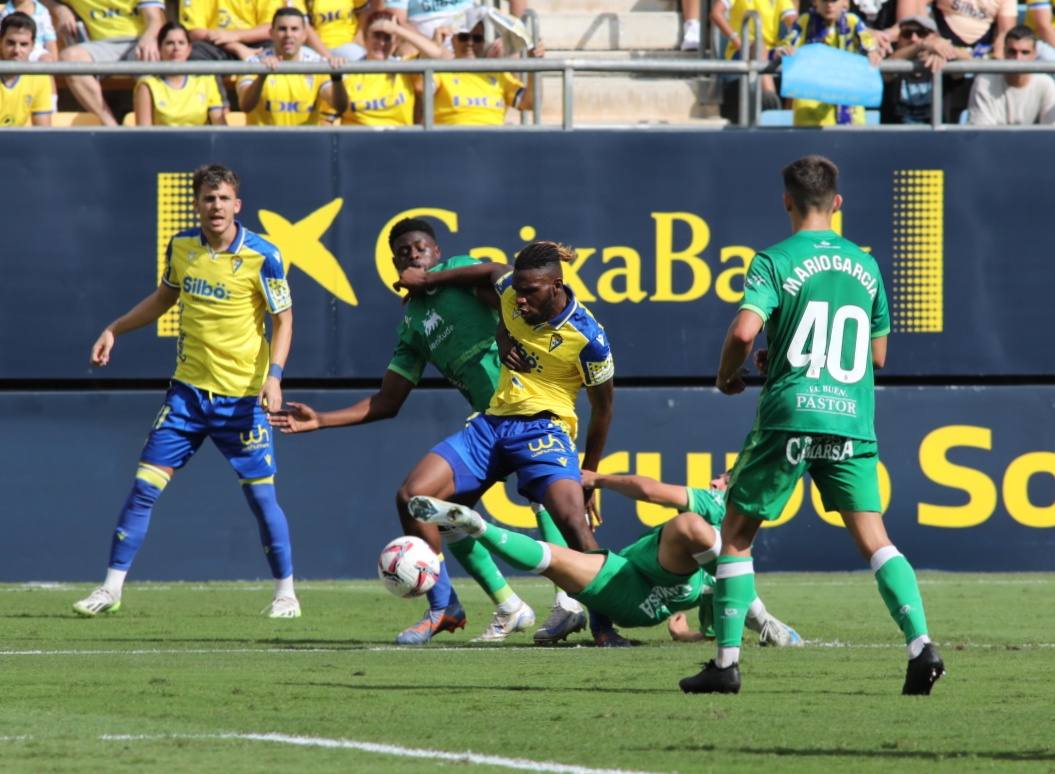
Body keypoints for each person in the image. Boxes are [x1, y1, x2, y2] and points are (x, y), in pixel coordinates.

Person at [678, 155, 943, 696]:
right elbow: (877, 355)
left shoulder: (773, 261)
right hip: (850, 418)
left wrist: (727, 375)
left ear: (787, 201)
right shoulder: (865, 266)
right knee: (875, 540)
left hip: (791, 415)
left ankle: (726, 665)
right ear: (837, 202)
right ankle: (921, 645)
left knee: (736, 536)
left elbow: (744, 331)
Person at [271, 220, 585, 645]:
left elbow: (500, 277)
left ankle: (570, 601)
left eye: (420, 247)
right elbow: (388, 401)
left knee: (547, 500)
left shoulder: (459, 272)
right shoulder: (413, 324)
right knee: (423, 503)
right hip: (489, 428)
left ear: (437, 253)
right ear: (394, 265)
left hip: (534, 413)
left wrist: (432, 281)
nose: (413, 254)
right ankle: (474, 606)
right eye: (403, 252)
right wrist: (321, 419)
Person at [72, 164, 301, 620]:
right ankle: (111, 589)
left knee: (261, 499)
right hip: (187, 397)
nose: (216, 206)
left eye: (224, 198)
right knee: (144, 488)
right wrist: (115, 329)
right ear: (196, 204)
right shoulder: (181, 246)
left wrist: (274, 376)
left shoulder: (263, 255)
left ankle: (286, 595)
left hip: (242, 400)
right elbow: (164, 299)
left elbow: (284, 319)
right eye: (208, 199)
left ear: (237, 205)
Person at [392, 241, 628, 646]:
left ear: (556, 287)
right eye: (516, 290)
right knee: (412, 497)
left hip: (545, 430)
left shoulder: (588, 337)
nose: (519, 299)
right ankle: (445, 606)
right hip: (493, 424)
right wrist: (502, 339)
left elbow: (603, 409)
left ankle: (604, 627)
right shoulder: (514, 295)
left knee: (574, 524)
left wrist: (589, 472)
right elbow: (491, 273)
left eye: (530, 291)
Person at [405, 469, 802, 645]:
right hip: (633, 581)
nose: (714, 481)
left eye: (723, 478)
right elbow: (654, 495)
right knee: (557, 560)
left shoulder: (720, 503)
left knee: (693, 527)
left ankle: (761, 619)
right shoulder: (722, 548)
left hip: (639, 598)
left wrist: (599, 479)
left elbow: (650, 490)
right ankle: (477, 526)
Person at [48, 0, 166, 125]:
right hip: (101, 46)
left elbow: (155, 19)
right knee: (70, 58)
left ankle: (150, 129)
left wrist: (150, 38)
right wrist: (59, 9)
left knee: (154, 60)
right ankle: (111, 127)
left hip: (139, 41)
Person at [327, 11, 449, 127]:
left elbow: (435, 53)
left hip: (398, 138)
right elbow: (339, 107)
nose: (382, 43)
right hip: (359, 139)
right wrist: (336, 75)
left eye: (387, 37)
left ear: (395, 43)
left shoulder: (404, 68)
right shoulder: (349, 70)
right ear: (365, 38)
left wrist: (397, 30)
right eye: (377, 36)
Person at [426, 6, 542, 126]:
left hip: (492, 135)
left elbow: (529, 103)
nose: (470, 43)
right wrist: (434, 48)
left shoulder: (498, 74)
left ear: (483, 42)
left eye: (477, 38)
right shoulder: (441, 71)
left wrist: (535, 65)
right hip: (453, 135)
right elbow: (420, 89)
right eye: (464, 37)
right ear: (453, 40)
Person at [236, 7, 349, 126]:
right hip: (265, 138)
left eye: (294, 29)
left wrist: (337, 78)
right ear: (271, 34)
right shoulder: (254, 63)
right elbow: (245, 106)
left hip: (304, 138)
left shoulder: (317, 64)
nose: (288, 34)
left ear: (304, 35)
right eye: (282, 29)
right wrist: (262, 76)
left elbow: (340, 106)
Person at [778, 0, 882, 126]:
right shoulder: (804, 22)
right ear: (815, 2)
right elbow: (784, 46)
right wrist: (784, 51)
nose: (829, 5)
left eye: (834, 1)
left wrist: (873, 52)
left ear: (845, 2)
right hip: (809, 107)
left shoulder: (852, 22)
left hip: (849, 106)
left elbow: (869, 45)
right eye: (824, 0)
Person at [134, 22, 227, 126]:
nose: (176, 48)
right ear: (159, 49)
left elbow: (219, 126)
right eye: (169, 43)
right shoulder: (147, 85)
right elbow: (144, 133)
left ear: (189, 49)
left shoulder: (206, 80)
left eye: (181, 43)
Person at [181, 0, 332, 61]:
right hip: (217, 45)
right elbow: (194, 32)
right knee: (194, 52)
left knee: (282, 50)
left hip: (258, 44)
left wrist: (235, 36)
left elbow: (271, 27)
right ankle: (219, 108)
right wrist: (237, 47)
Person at [968, 26, 1055, 125]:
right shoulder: (984, 82)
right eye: (1012, 52)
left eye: (1025, 52)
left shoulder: (1045, 84)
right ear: (1004, 51)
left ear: (1034, 54)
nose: (1018, 58)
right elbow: (981, 131)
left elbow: (1051, 130)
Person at [880, 16, 953, 124]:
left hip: (936, 133)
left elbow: (967, 60)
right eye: (907, 33)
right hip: (897, 133)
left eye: (921, 33)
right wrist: (922, 45)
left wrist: (944, 50)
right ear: (899, 39)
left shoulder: (943, 61)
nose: (913, 39)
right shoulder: (893, 60)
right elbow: (887, 70)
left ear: (934, 37)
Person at [0, 11, 52, 126]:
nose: (16, 50)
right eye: (10, 43)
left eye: (23, 44)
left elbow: (43, 131)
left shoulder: (39, 78)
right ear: (0, 42)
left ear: (32, 46)